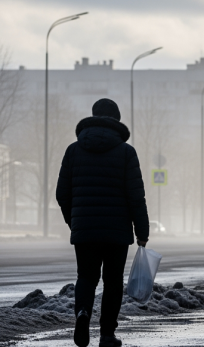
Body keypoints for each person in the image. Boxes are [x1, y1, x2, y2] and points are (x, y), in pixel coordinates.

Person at [56, 98, 149, 347]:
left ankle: (83, 313)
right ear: (116, 121)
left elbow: (61, 193)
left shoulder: (73, 150)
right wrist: (142, 231)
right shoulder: (127, 152)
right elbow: (135, 196)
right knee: (112, 281)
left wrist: (73, 220)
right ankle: (107, 334)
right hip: (117, 232)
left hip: (84, 230)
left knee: (86, 277)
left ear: (94, 117)